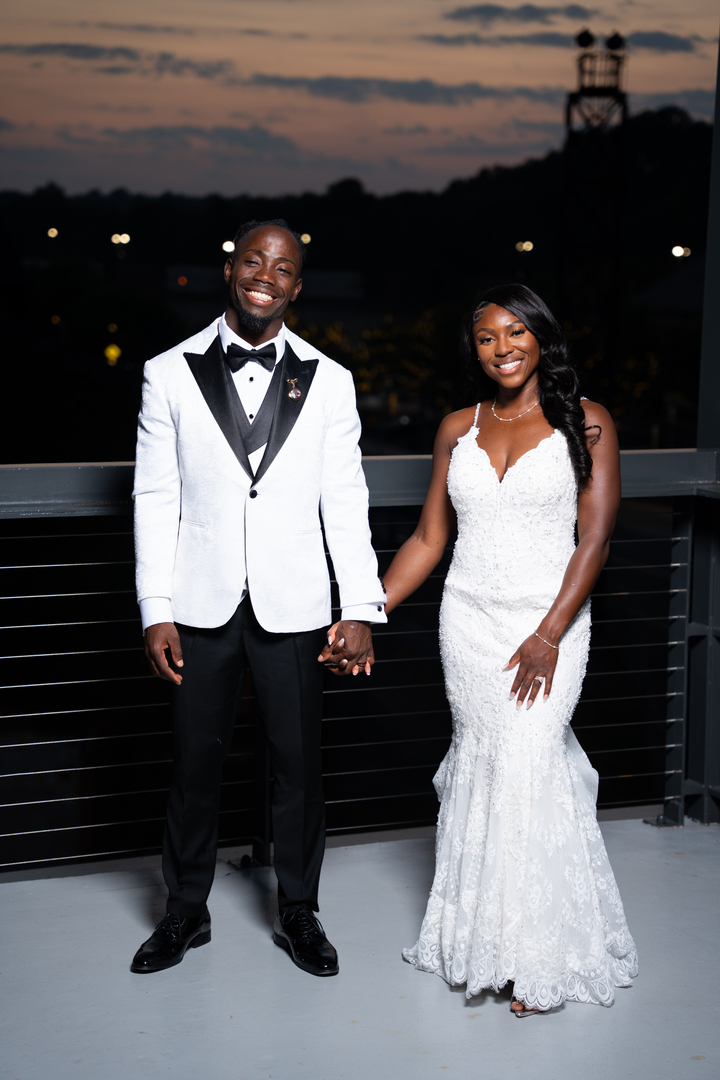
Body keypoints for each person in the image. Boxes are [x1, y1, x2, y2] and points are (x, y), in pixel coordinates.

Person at [130, 219, 386, 977]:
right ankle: (185, 910)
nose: (264, 276)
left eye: (281, 267)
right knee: (193, 765)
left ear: (296, 285)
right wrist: (155, 607)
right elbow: (154, 496)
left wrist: (359, 607)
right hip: (198, 605)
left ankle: (299, 910)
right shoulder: (167, 372)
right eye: (253, 261)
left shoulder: (331, 380)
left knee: (298, 767)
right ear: (230, 269)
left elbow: (346, 500)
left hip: (296, 606)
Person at [378, 284, 638, 1015]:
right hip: (468, 625)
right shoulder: (456, 427)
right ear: (475, 349)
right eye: (487, 336)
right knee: (486, 765)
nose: (502, 348)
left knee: (529, 762)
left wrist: (549, 633)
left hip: (549, 625)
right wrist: (365, 612)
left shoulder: (587, 421)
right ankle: (482, 939)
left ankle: (538, 958)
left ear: (541, 337)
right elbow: (428, 538)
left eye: (516, 332)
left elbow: (595, 540)